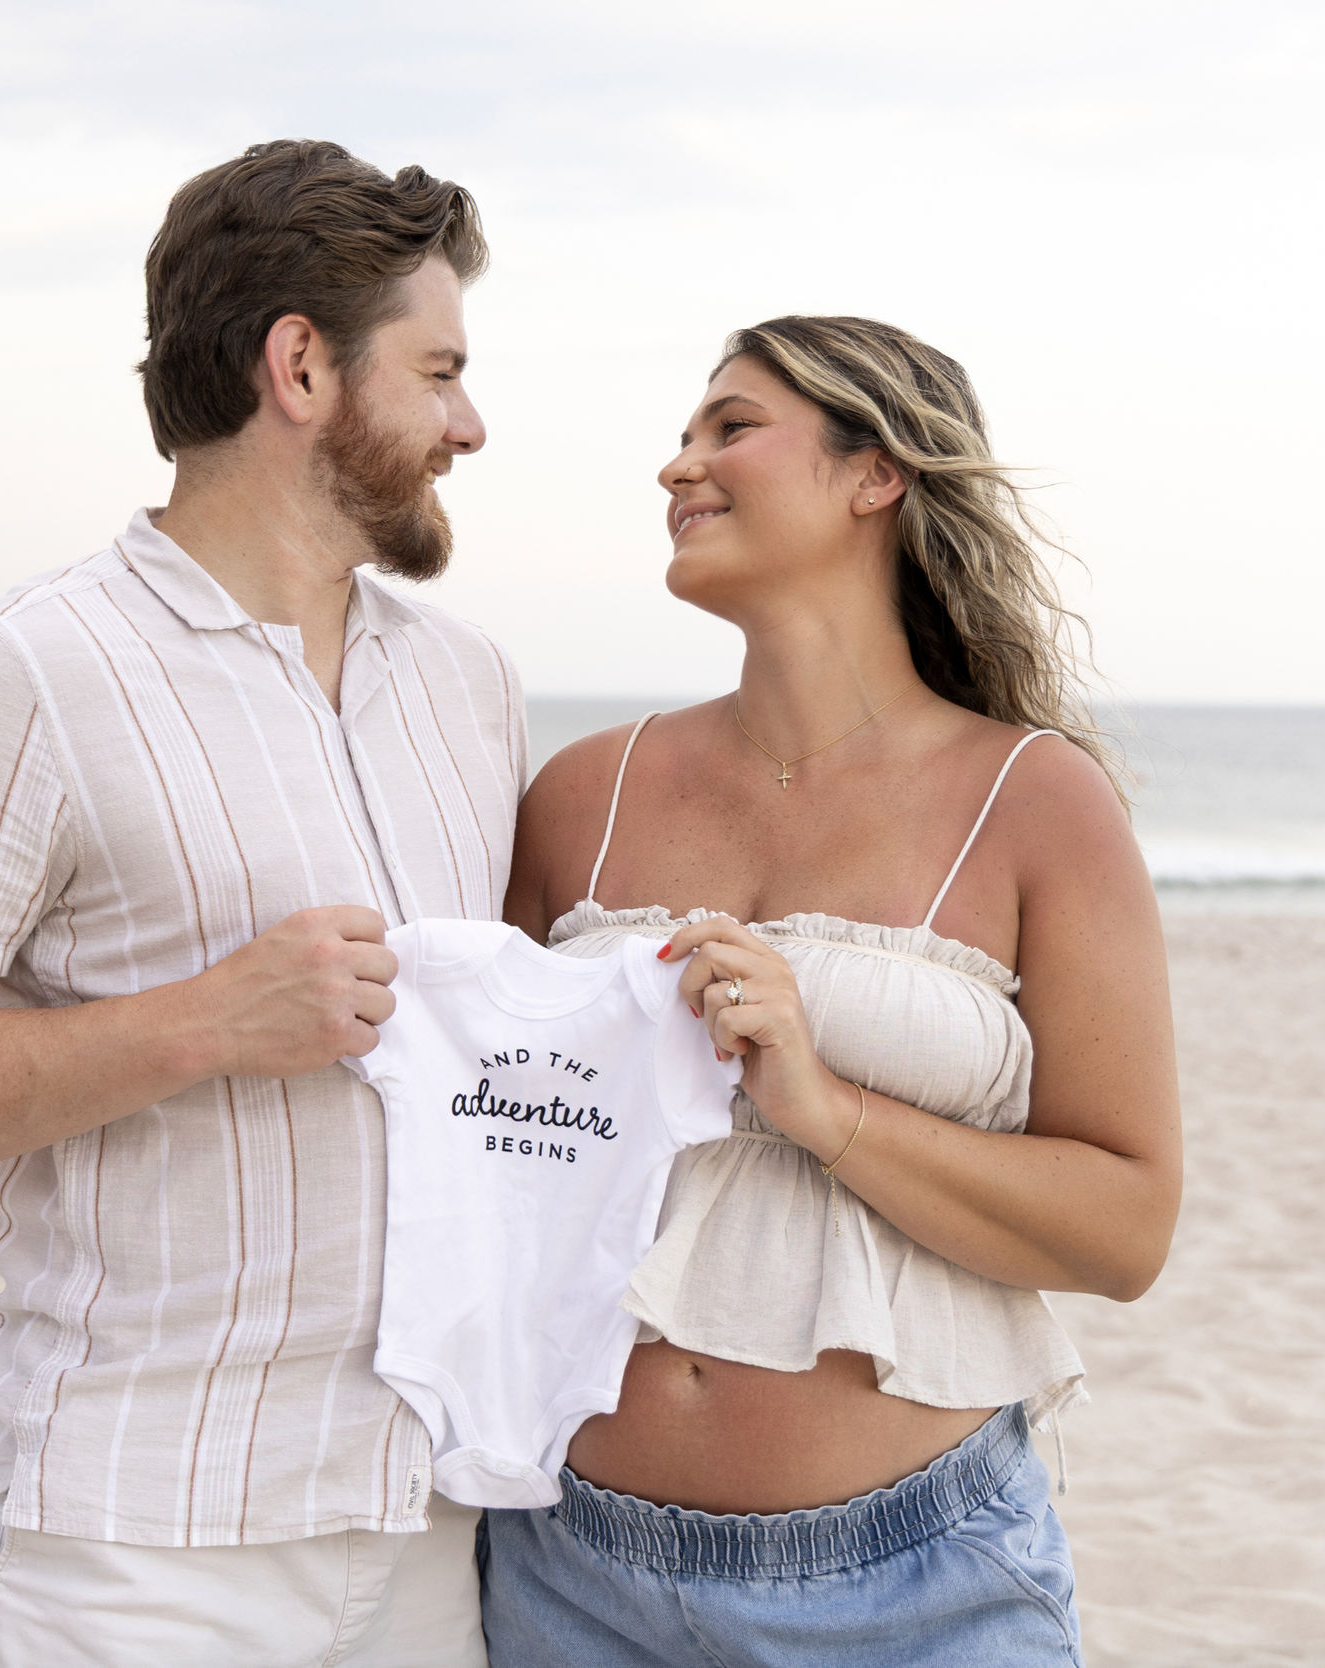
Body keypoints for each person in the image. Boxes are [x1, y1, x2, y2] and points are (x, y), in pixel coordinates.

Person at [0, 139, 519, 1668]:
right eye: (439, 371)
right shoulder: (30, 672)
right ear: (301, 367)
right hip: (140, 1535)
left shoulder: (470, 686)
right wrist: (204, 1022)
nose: (470, 423)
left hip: (430, 1515)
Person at [488, 315, 1183, 1665]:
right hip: (564, 1568)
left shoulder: (1035, 801)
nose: (677, 466)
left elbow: (1126, 1228)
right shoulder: (583, 792)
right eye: (685, 434)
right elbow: (493, 1157)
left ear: (878, 476)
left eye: (729, 427)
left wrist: (822, 1104)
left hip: (917, 1587)